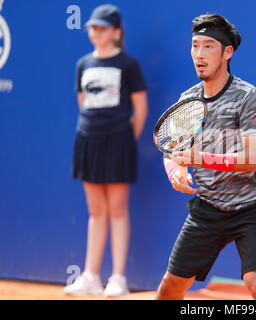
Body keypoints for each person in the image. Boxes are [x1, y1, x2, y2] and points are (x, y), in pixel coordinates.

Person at [156, 13, 256, 300]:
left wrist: (198, 159)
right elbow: (172, 149)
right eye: (195, 45)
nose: (199, 55)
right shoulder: (187, 99)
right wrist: (175, 170)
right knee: (170, 288)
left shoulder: (249, 97)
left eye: (208, 47)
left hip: (252, 207)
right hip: (208, 207)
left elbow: (252, 159)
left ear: (227, 52)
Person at [64, 4, 148, 297]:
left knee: (117, 210)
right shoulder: (83, 64)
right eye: (92, 27)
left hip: (118, 142)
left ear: (116, 32)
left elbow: (140, 110)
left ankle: (118, 278)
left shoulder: (129, 65)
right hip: (88, 141)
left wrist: (124, 140)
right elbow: (82, 103)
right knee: (95, 210)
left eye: (102, 28)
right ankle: (90, 275)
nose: (95, 32)